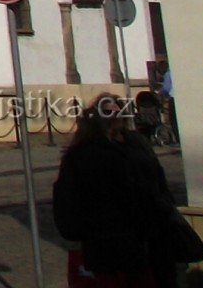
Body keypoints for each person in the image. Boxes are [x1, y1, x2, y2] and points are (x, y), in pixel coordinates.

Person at [53, 95, 165, 287]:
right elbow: (66, 199)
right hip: (108, 237)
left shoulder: (133, 147)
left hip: (130, 236)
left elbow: (154, 185)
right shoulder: (85, 154)